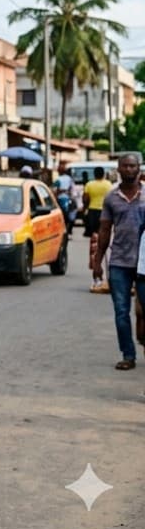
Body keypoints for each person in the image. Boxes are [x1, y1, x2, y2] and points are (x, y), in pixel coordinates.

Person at [91, 153, 145, 371]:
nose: (130, 169)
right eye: (126, 166)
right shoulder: (111, 198)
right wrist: (96, 261)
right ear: (118, 169)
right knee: (121, 312)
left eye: (133, 166)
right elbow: (104, 230)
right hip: (119, 262)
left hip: (144, 264)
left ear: (139, 168)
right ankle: (128, 355)